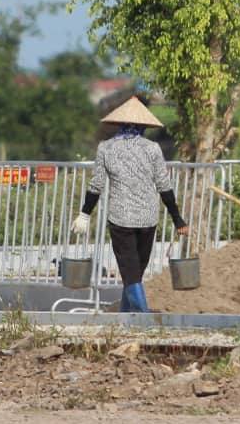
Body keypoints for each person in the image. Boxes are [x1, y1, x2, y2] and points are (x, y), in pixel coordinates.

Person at [72, 96, 186, 312]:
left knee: (131, 274)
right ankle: (128, 317)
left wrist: (85, 214)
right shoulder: (153, 148)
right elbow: (164, 186)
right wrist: (177, 219)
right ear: (144, 126)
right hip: (148, 218)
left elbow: (96, 185)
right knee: (135, 273)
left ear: (120, 124)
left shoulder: (106, 148)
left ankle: (142, 317)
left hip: (121, 219)